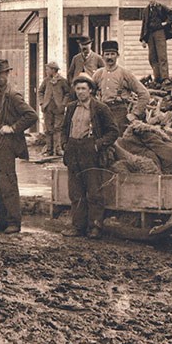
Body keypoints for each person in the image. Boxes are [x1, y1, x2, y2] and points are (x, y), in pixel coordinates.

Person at [60, 74, 120, 238]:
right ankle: (77, 227)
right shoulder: (71, 107)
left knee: (94, 192)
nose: (80, 92)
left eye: (83, 89)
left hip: (91, 152)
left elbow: (113, 131)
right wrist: (64, 144)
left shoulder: (100, 108)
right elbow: (64, 128)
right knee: (75, 192)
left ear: (91, 90)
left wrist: (97, 145)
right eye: (77, 88)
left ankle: (95, 227)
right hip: (73, 150)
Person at [0, 59, 36, 234]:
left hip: (6, 144)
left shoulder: (13, 95)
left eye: (2, 74)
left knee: (8, 183)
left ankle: (14, 222)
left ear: (7, 74)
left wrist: (12, 128)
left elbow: (31, 115)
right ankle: (2, 220)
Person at [92, 40, 149, 128]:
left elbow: (144, 94)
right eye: (107, 54)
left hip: (120, 114)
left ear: (117, 55)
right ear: (102, 56)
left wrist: (135, 113)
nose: (109, 57)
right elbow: (89, 94)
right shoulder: (98, 74)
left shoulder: (125, 73)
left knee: (119, 136)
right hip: (102, 113)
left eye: (112, 54)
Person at [139, 0, 172, 81]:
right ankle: (157, 78)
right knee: (152, 57)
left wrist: (167, 23)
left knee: (162, 56)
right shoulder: (146, 10)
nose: (151, 0)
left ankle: (165, 78)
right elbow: (144, 25)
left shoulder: (161, 7)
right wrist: (143, 39)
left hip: (159, 33)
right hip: (150, 35)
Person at [36, 62, 69, 157]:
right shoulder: (46, 81)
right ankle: (49, 149)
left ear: (53, 70)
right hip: (47, 108)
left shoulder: (62, 81)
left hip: (58, 108)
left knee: (57, 128)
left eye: (48, 69)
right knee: (48, 129)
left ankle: (58, 149)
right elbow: (40, 91)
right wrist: (42, 103)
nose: (46, 71)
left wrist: (63, 104)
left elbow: (67, 93)